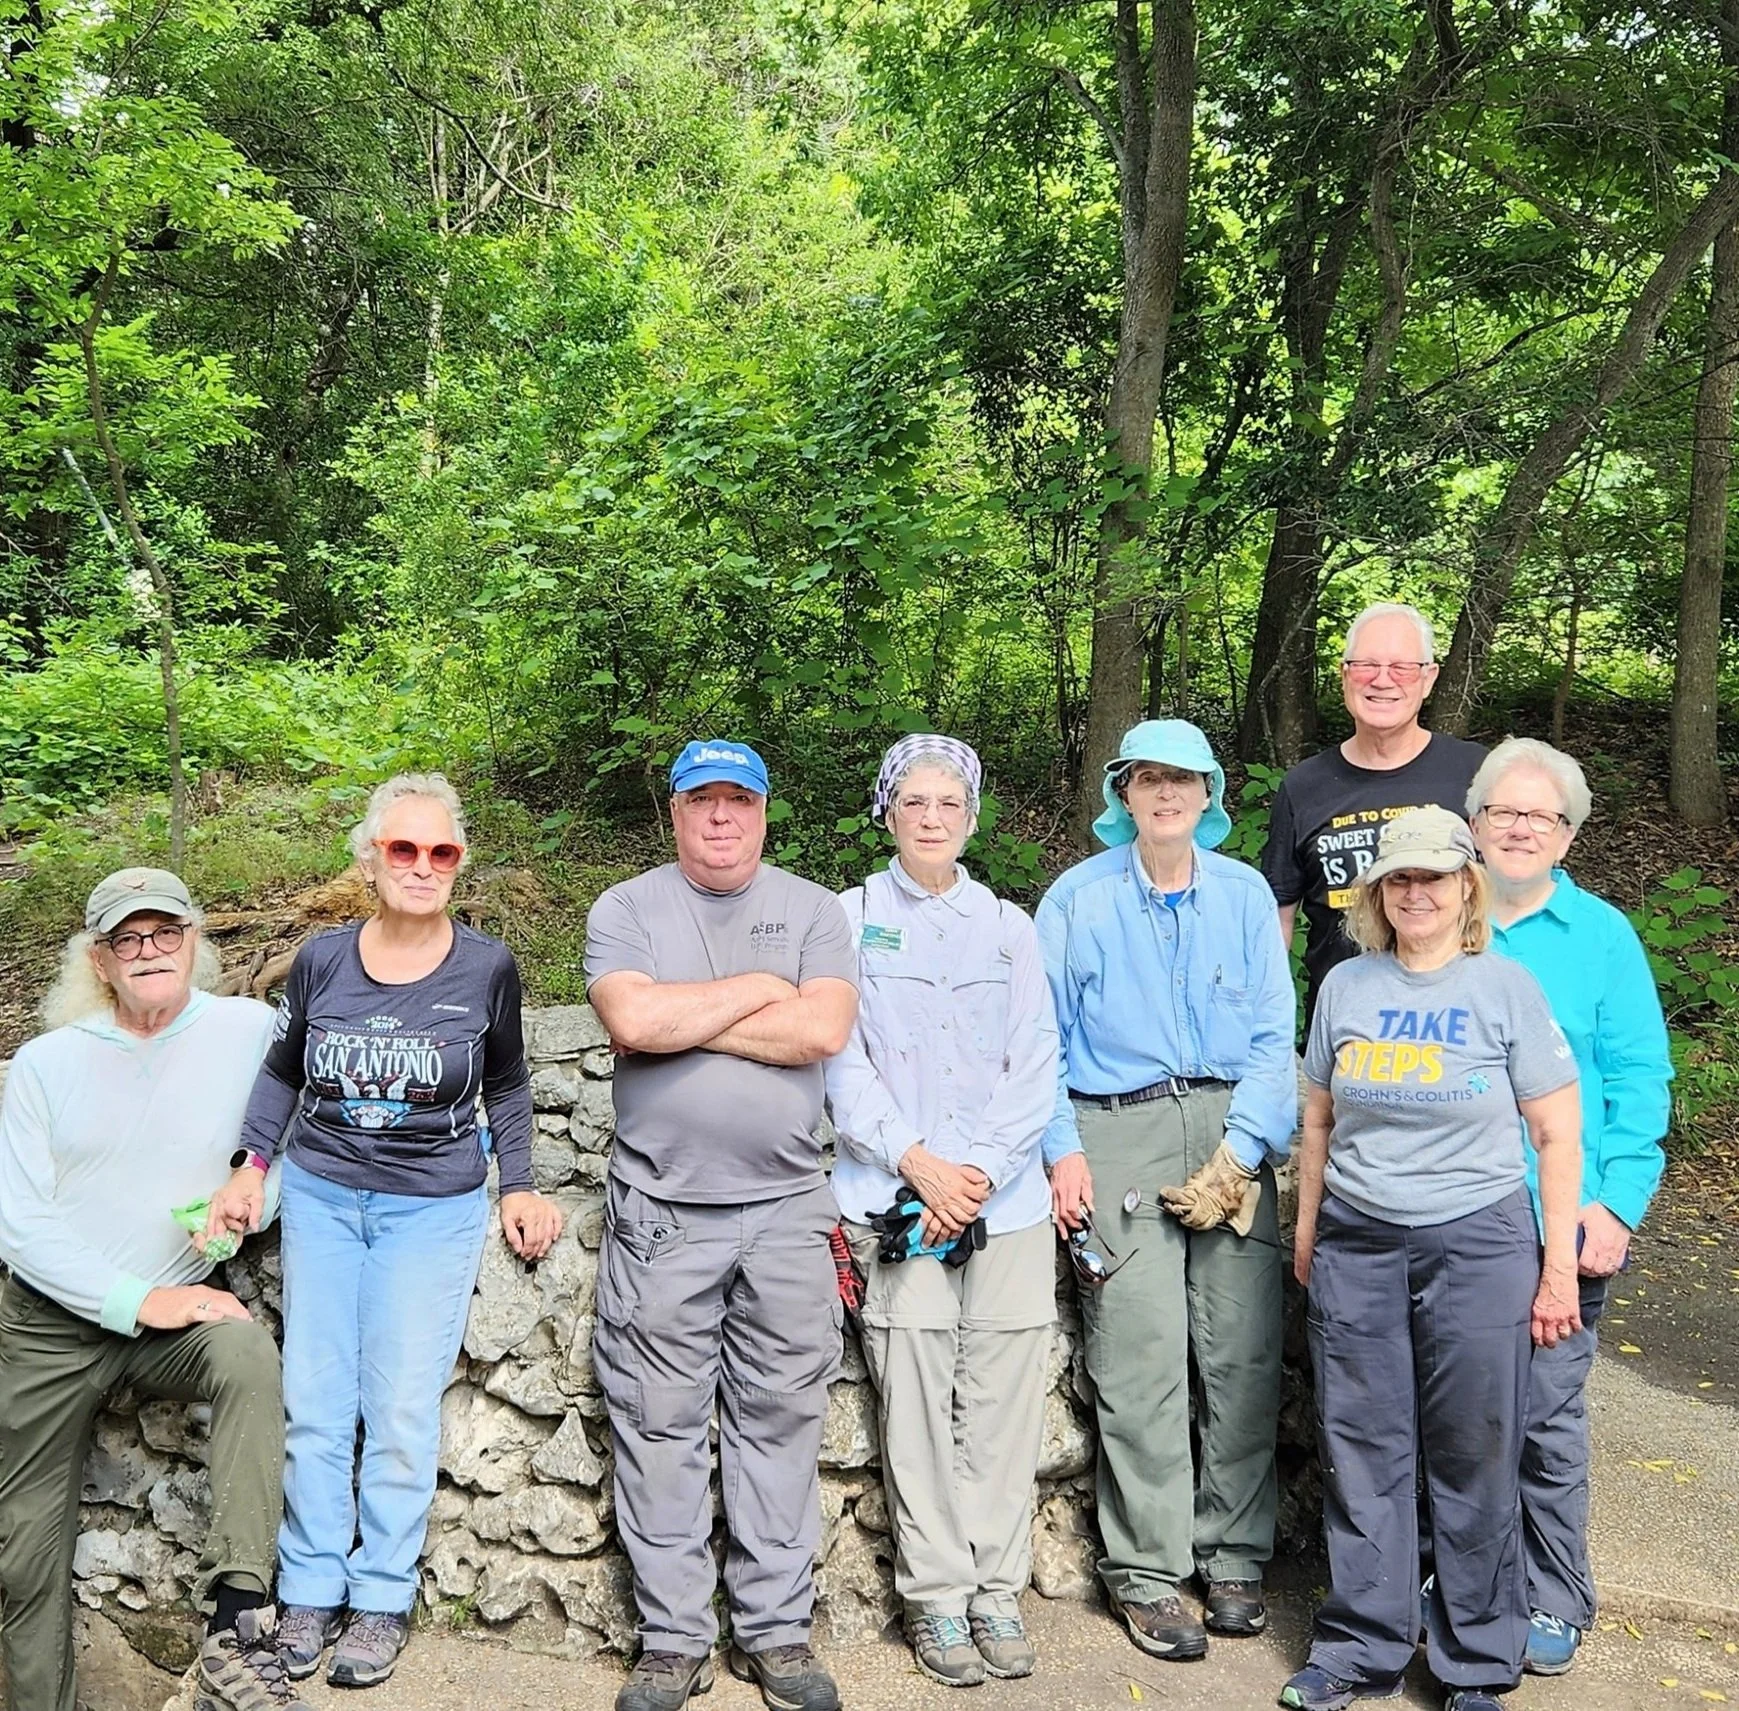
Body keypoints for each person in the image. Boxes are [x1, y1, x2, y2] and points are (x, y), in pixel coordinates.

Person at [208, 774, 564, 1688]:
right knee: (316, 1402)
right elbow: (281, 1072)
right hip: (324, 1197)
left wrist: (519, 1184)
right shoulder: (322, 959)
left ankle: (380, 1596)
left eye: (441, 850)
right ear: (369, 858)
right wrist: (249, 1166)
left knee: (401, 1406)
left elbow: (508, 1083)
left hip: (430, 1207)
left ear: (459, 862)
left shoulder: (486, 966)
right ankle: (309, 1588)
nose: (421, 865)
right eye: (402, 848)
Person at [1284, 806, 1584, 1711]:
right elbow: (1316, 1119)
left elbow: (1556, 1133)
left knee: (1474, 1449)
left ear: (1465, 887)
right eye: (1398, 878)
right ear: (1377, 892)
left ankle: (1476, 1662)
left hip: (1478, 1240)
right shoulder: (1345, 986)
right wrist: (1307, 1232)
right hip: (1358, 1238)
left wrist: (1556, 1268)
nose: (1415, 892)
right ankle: (1357, 1648)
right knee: (1361, 1448)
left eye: (1432, 876)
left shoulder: (1504, 987)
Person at [584, 739, 860, 1711]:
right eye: (700, 798)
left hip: (786, 1212)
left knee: (778, 1419)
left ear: (762, 810)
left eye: (737, 800)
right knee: (656, 1422)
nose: (719, 816)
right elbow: (632, 1024)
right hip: (661, 1213)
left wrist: (684, 1018)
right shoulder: (626, 909)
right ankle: (672, 1641)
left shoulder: (813, 910)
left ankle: (775, 1632)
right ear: (673, 811)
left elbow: (821, 1031)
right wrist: (761, 989)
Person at [0, 868, 303, 1711]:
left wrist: (250, 1201)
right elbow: (19, 1224)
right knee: (24, 1555)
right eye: (126, 938)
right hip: (49, 1328)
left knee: (245, 1352)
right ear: (99, 959)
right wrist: (140, 1300)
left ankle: (237, 1625)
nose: (149, 951)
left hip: (177, 1318)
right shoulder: (46, 1063)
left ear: (194, 940)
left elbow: (285, 1141)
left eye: (165, 931)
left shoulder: (250, 1029)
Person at [1036, 720, 1297, 1664]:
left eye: (1183, 779)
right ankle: (1146, 1571)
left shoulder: (1243, 893)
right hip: (1118, 1127)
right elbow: (1040, 1042)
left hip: (1230, 1125)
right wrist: (1063, 1150)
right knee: (1138, 1354)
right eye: (1147, 778)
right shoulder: (1075, 898)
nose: (1165, 794)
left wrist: (1242, 1151)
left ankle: (1232, 1555)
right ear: (1123, 793)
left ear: (1208, 794)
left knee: (1242, 1350)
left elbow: (1273, 1035)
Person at [825, 736, 1059, 1688]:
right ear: (887, 812)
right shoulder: (847, 918)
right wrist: (918, 1164)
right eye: (913, 802)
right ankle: (935, 1596)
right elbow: (839, 1059)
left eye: (948, 802)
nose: (931, 817)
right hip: (894, 1198)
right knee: (916, 1400)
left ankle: (996, 1587)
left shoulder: (1008, 926)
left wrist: (976, 1174)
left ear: (971, 816)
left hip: (1006, 1205)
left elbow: (1034, 1059)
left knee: (1002, 1402)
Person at [1468, 738, 1672, 1677]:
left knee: (1544, 1419)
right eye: (1502, 811)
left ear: (1566, 835)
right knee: (1460, 1415)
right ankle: (1461, 1581)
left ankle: (1554, 1593)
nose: (1518, 828)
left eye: (1539, 816)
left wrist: (1616, 1206)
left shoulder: (1601, 937)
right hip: (1453, 1216)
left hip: (1562, 1217)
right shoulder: (1437, 915)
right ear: (1474, 821)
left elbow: (1639, 1077)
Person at [1261, 602, 1486, 1029]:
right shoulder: (1303, 786)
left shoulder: (1475, 773)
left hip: (1460, 1029)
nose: (1382, 680)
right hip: (1343, 1031)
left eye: (1402, 667)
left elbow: (1511, 898)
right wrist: (1266, 1032)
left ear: (1428, 678)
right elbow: (1276, 921)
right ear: (1345, 675)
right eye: (1366, 665)